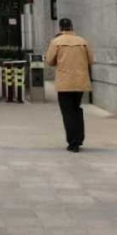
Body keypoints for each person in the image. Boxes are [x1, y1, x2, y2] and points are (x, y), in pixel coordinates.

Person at [44, 18, 95, 153]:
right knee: (77, 109)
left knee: (68, 112)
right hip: (80, 81)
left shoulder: (56, 42)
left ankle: (73, 143)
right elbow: (91, 60)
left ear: (60, 28)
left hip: (64, 82)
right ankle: (79, 138)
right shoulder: (83, 41)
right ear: (72, 27)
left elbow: (49, 61)